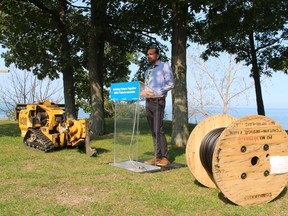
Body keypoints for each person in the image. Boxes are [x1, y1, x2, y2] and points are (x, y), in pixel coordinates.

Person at [140, 47, 174, 167]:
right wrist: (143, 92)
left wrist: (156, 92)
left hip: (158, 101)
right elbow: (147, 85)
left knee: (158, 129)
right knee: (153, 130)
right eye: (147, 54)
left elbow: (170, 84)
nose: (148, 56)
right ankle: (157, 156)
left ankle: (165, 157)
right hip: (148, 101)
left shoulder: (164, 66)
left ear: (157, 55)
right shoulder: (148, 70)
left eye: (151, 54)